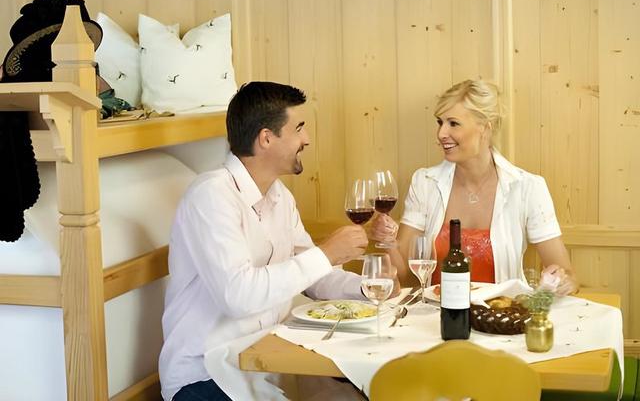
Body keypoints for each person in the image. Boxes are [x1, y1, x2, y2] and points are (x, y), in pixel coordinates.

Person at [159, 81, 382, 401]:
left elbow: (315, 277)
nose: (306, 139)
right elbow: (238, 296)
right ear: (266, 138)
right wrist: (325, 253)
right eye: (299, 128)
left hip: (264, 363)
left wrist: (369, 288)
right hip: (206, 374)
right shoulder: (211, 196)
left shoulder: (280, 196)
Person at [372, 80, 578, 296]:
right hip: (438, 312)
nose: (441, 133)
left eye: (453, 123)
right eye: (440, 122)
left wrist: (562, 282)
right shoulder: (425, 183)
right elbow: (406, 276)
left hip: (500, 313)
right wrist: (388, 243)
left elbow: (567, 275)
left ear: (485, 128)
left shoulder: (527, 187)